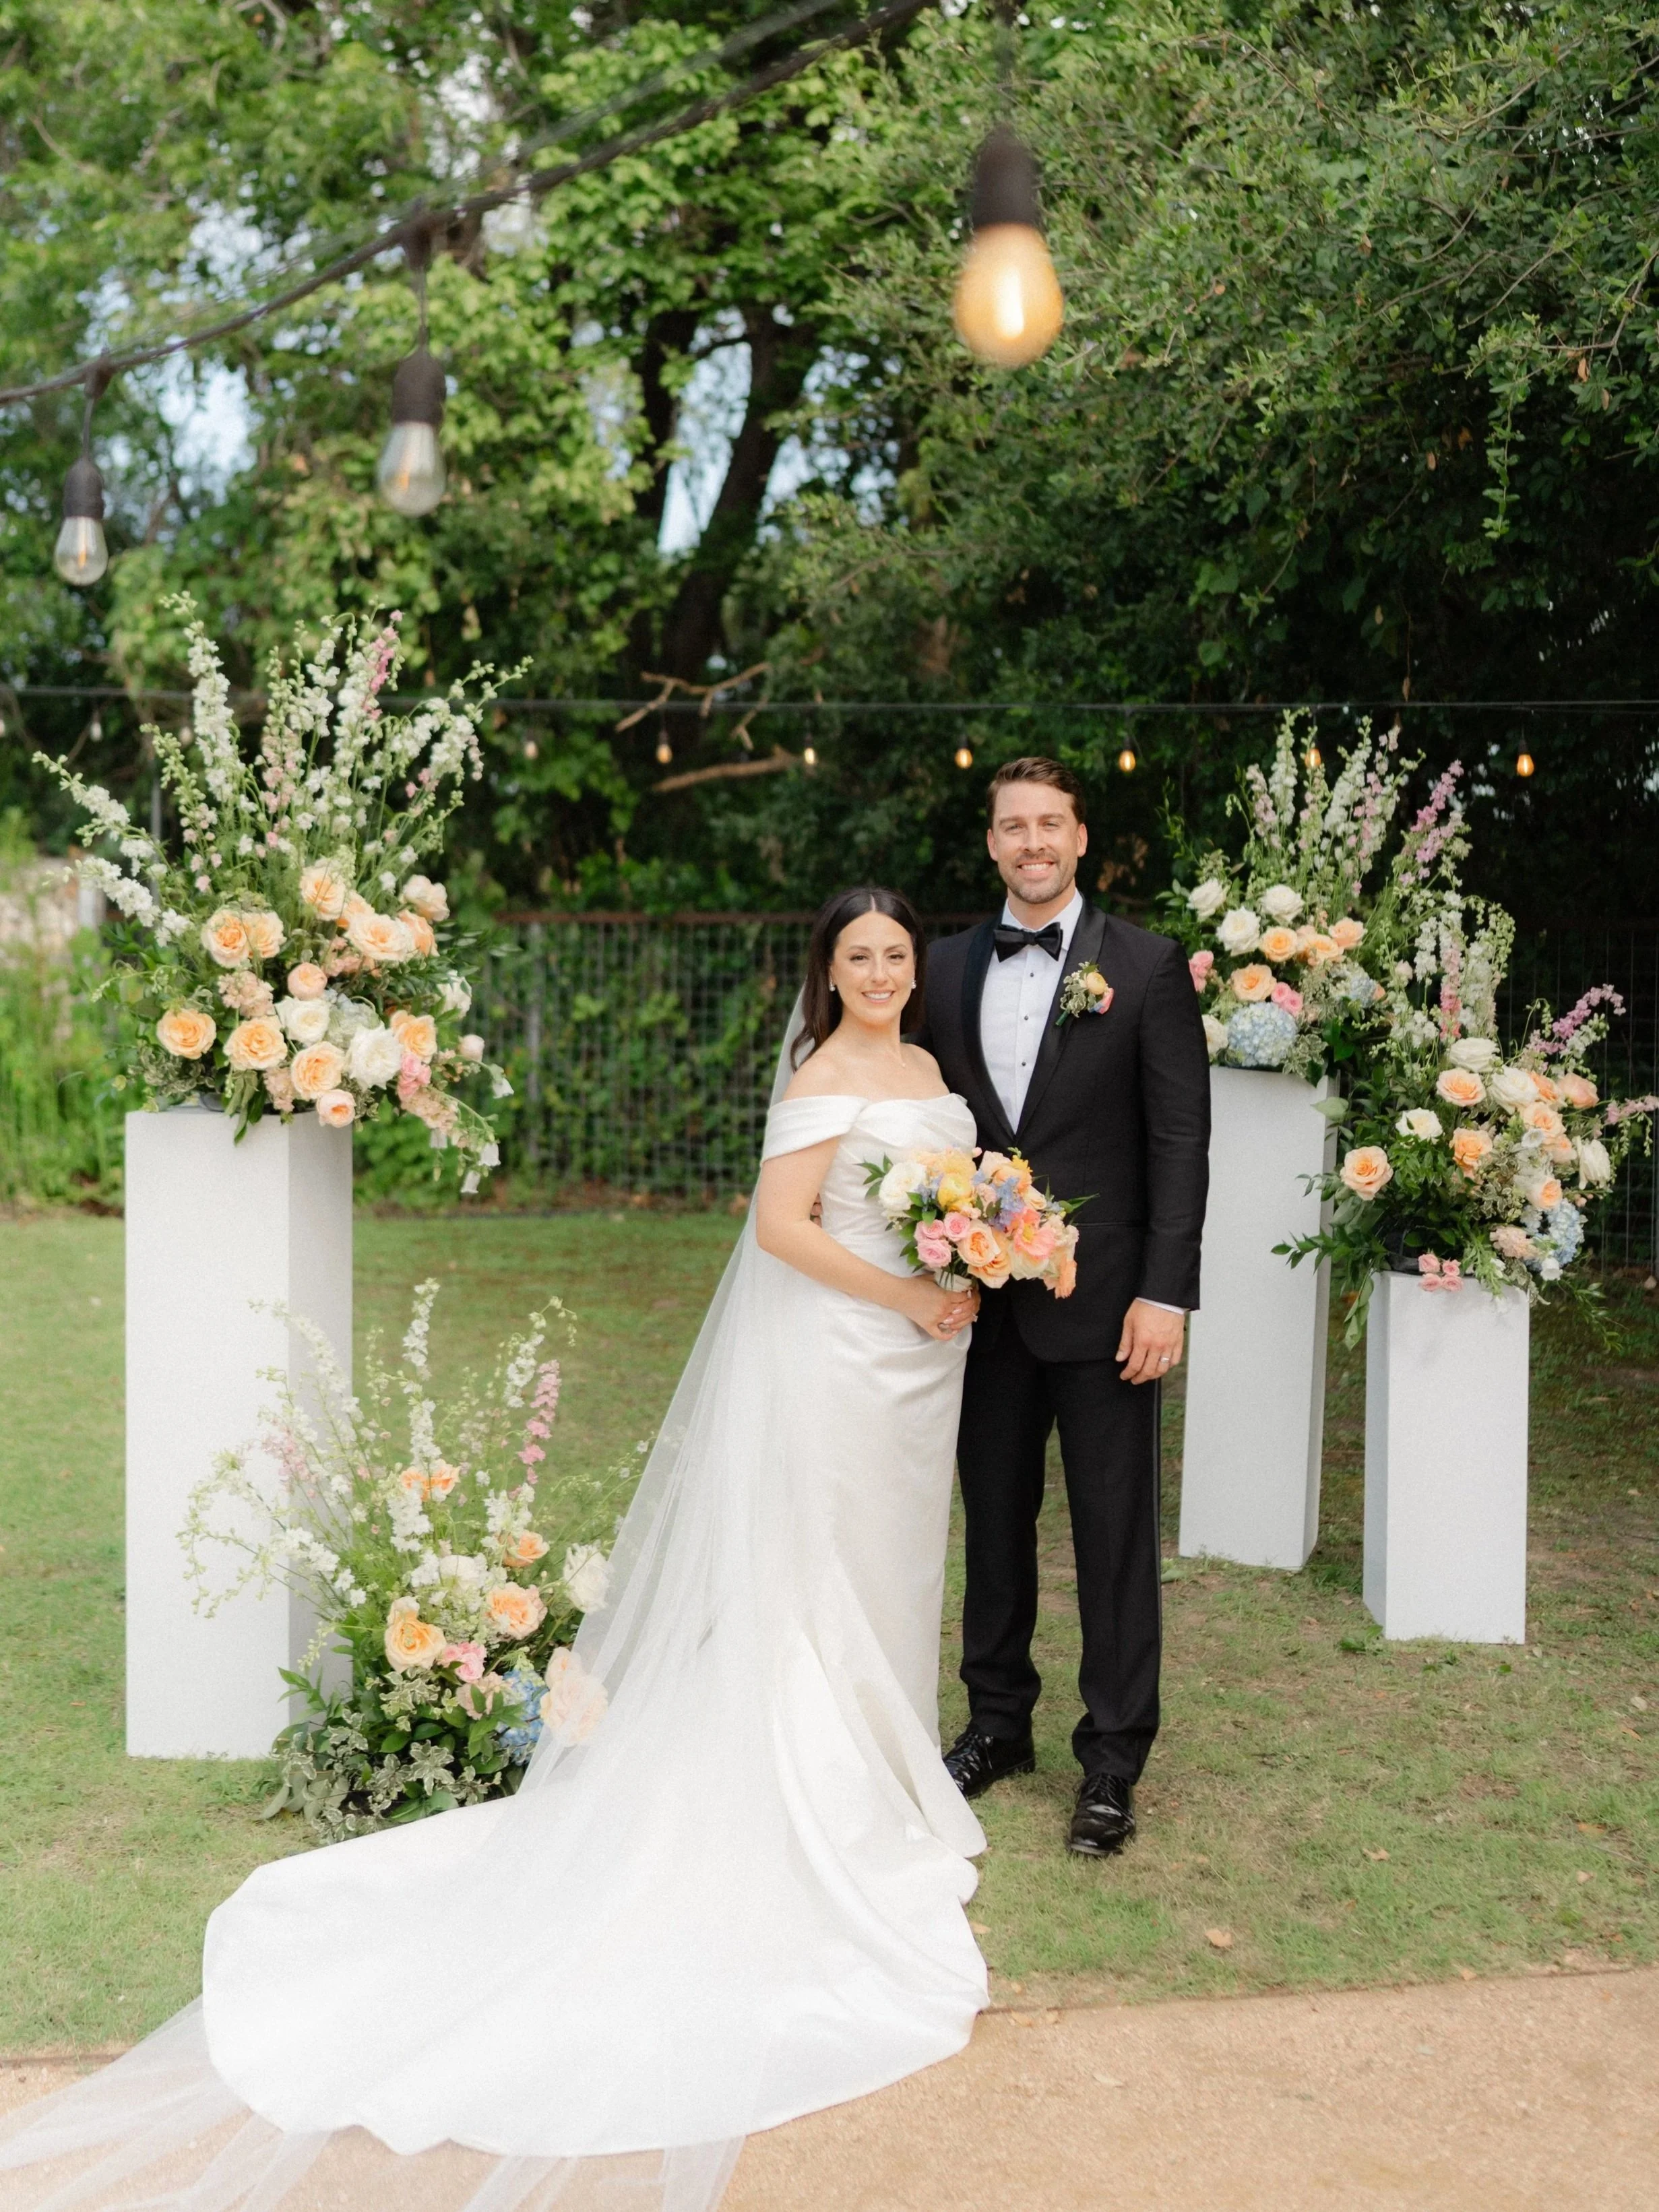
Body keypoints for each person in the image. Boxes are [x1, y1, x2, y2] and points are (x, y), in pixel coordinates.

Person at [0, 888, 989, 2212]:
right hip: (843, 1354)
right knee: (811, 1576)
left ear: (913, 970)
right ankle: (822, 1785)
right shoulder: (821, 1076)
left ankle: (881, 1756)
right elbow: (782, 1230)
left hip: (917, 1378)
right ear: (827, 972)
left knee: (886, 1573)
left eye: (895, 955)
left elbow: (950, 1190)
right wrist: (914, 1288)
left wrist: (976, 1253)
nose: (879, 971)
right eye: (857, 955)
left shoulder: (927, 1066)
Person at [919, 758, 1210, 1857]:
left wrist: (1164, 1293)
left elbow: (1180, 1140)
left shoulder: (1143, 966)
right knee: (990, 1526)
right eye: (1012, 826)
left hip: (1106, 1314)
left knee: (1112, 1534)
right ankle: (996, 1726)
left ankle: (1112, 1758)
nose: (1031, 842)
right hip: (980, 1310)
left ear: (1081, 837)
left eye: (1050, 823)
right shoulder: (942, 968)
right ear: (989, 842)